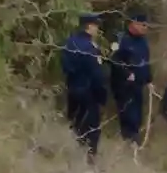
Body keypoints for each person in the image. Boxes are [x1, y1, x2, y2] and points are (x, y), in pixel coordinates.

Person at [61, 12, 107, 160]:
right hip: (89, 93)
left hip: (72, 90)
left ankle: (72, 157)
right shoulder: (91, 47)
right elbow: (97, 74)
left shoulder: (70, 43)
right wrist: (102, 96)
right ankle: (89, 160)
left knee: (75, 124)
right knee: (91, 130)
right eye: (96, 26)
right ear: (89, 26)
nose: (97, 29)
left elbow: (66, 67)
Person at [109, 11, 152, 145]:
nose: (146, 28)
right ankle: (129, 142)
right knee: (128, 115)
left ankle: (135, 142)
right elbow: (114, 60)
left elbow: (145, 62)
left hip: (138, 85)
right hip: (124, 86)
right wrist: (127, 74)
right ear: (134, 24)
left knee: (137, 116)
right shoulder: (122, 39)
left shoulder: (143, 42)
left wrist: (149, 80)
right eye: (143, 25)